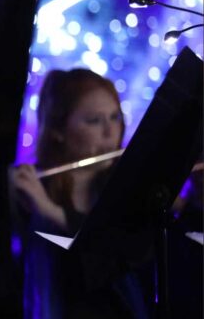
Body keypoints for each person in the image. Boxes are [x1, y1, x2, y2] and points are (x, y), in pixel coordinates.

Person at [12, 68, 149, 318]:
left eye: (115, 117)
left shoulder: (129, 193)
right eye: (94, 120)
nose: (111, 132)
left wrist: (52, 213)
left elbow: (113, 255)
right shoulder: (30, 190)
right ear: (58, 130)